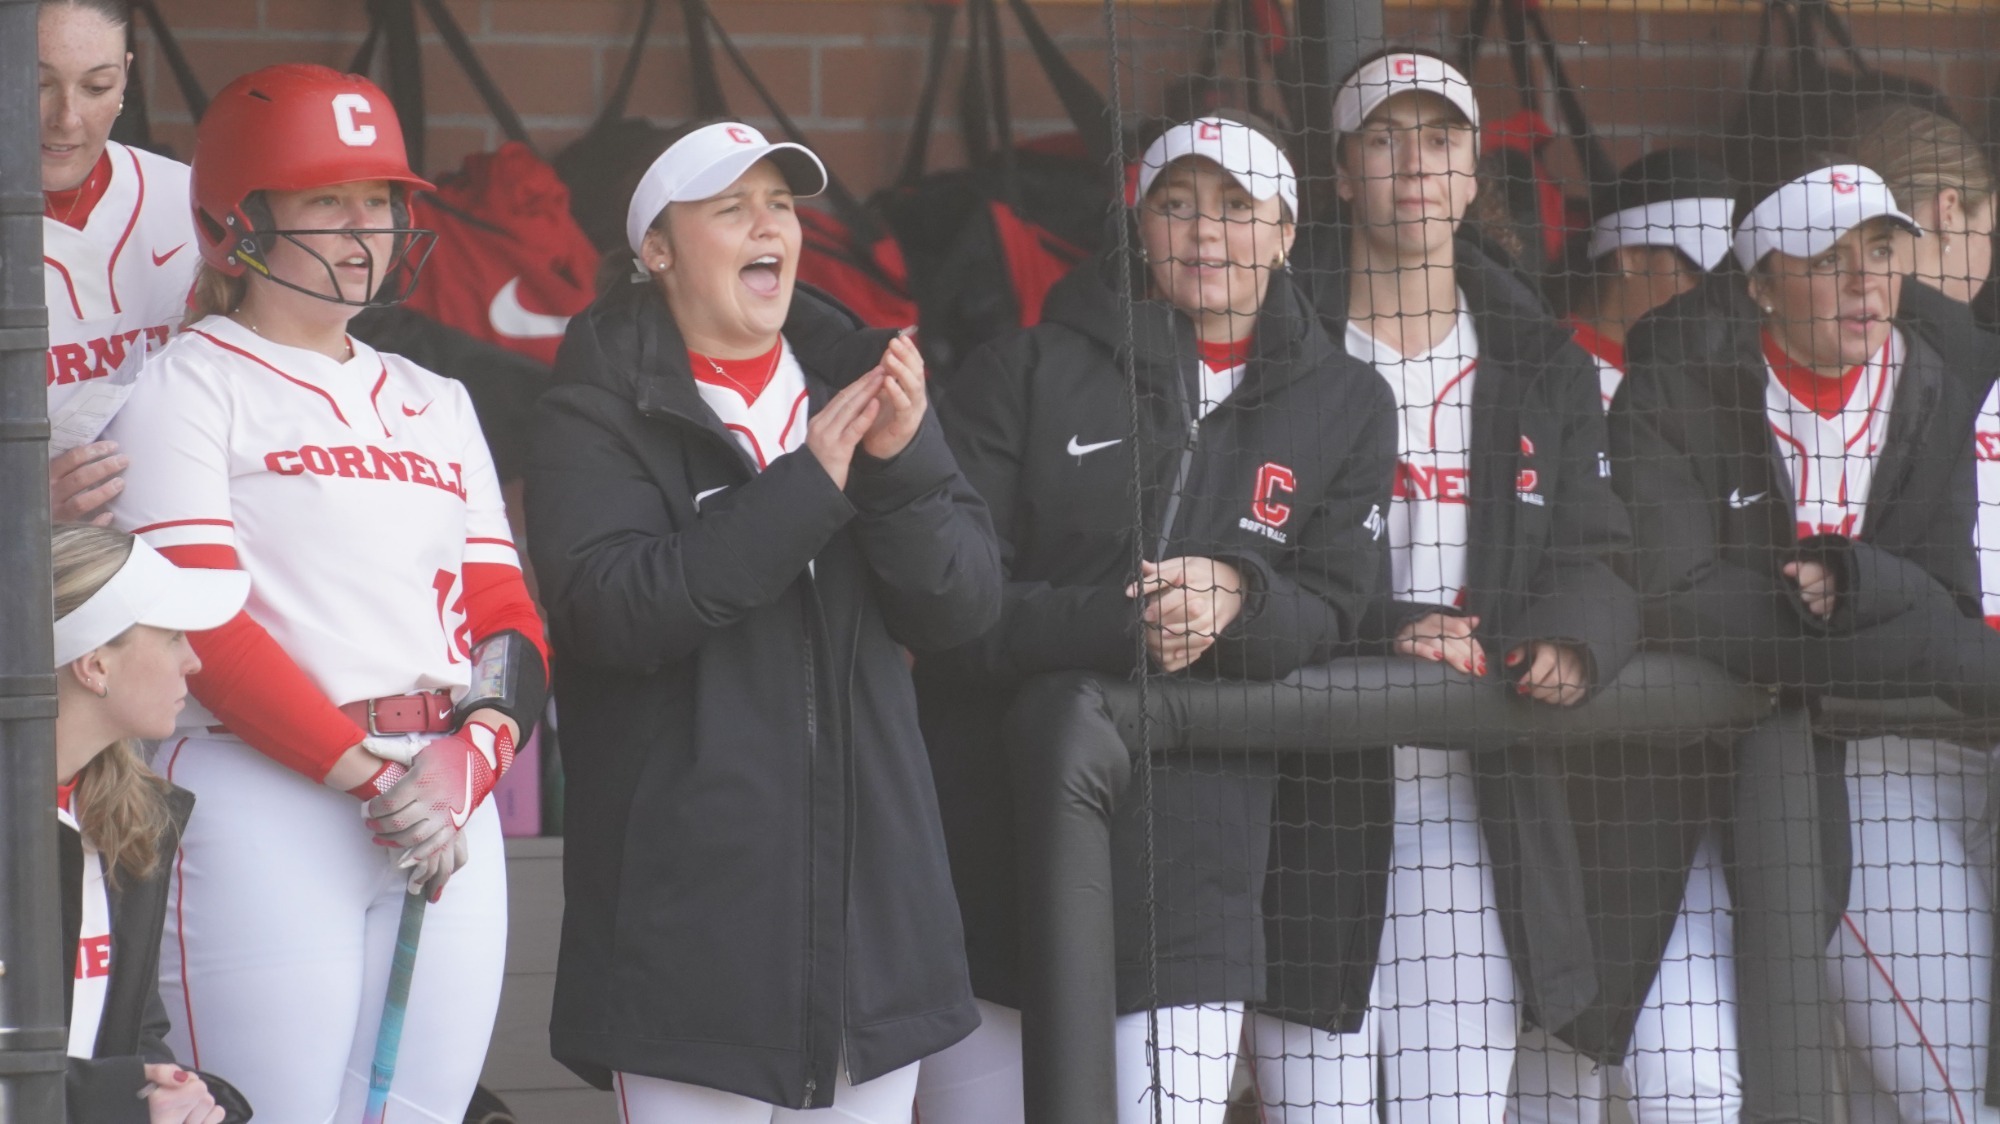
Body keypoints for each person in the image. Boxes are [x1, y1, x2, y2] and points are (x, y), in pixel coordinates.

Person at [912, 110, 1398, 1124]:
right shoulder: (1024, 365)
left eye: (1234, 206)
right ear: (1138, 225)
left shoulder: (1347, 397)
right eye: (1174, 204)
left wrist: (1235, 597)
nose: (1204, 232)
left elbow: (1336, 601)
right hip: (990, 833)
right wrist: (1126, 620)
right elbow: (951, 610)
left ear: (1284, 229)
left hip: (1195, 854)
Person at [525, 120, 999, 1122]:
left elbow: (960, 605)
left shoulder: (868, 383)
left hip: (874, 927)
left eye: (780, 202)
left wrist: (903, 463)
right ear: (656, 248)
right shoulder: (593, 403)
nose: (767, 224)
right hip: (691, 939)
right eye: (729, 206)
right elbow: (612, 611)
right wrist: (804, 488)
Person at [104, 64, 548, 1122]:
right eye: (327, 200)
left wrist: (469, 756)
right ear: (238, 223)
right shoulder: (185, 383)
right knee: (270, 1110)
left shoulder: (435, 398)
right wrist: (367, 778)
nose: (367, 228)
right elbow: (203, 625)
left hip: (443, 799)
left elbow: (506, 616)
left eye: (383, 201)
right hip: (267, 796)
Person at [1255, 51, 1639, 1122]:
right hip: (1308, 787)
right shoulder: (1282, 346)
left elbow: (1597, 549)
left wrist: (1571, 635)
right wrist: (1384, 627)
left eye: (1438, 141)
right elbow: (1247, 552)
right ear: (1338, 173)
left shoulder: (1536, 357)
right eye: (1383, 140)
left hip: (1470, 794)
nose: (1413, 165)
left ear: (1473, 175)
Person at [1613, 154, 2000, 1123]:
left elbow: (1949, 603)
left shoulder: (1934, 379)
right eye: (1827, 259)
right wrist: (1899, 629)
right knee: (1701, 1086)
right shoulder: (1679, 390)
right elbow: (1677, 599)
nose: (1865, 280)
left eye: (1880, 250)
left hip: (1893, 771)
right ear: (1757, 284)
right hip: (1693, 775)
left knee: (1920, 1094)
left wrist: (1858, 582)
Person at [1511, 148, 1745, 1124]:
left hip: (1676, 766)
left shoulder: (1715, 382)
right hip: (1544, 756)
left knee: (1689, 1074)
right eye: (1695, 272)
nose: (1713, 298)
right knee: (1549, 1061)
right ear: (1632, 261)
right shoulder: (1539, 364)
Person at [1831, 103, 2000, 1124]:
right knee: (1944, 1099)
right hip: (1877, 766)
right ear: (1948, 209)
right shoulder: (1830, 376)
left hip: (1972, 758)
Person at [51, 524, 253, 1124]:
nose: (194, 661)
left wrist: (181, 1096)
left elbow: (135, 1032)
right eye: (172, 636)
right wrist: (114, 1101)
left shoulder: (125, 814)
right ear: (93, 666)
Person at [38, 0, 200, 525]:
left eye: (96, 87)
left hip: (185, 533)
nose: (66, 117)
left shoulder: (191, 201)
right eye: (36, 84)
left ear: (127, 77)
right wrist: (16, 505)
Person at [1560, 149, 1737, 407]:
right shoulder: (1553, 374)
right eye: (1702, 274)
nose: (1717, 298)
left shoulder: (1705, 385)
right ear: (1631, 256)